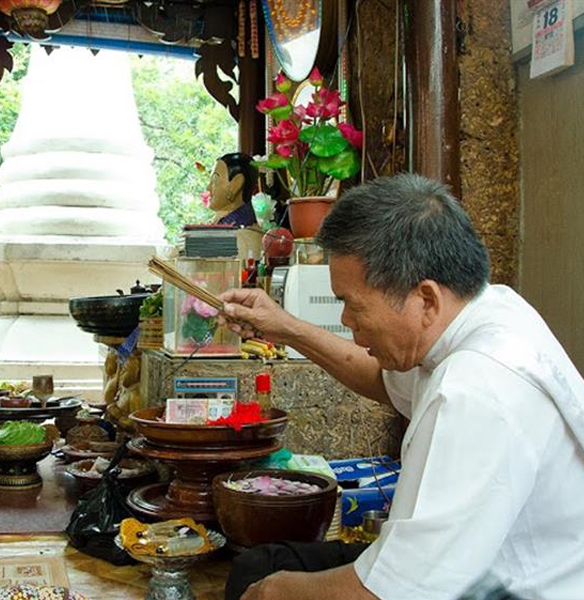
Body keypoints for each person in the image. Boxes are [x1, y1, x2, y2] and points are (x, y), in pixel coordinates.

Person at [218, 174, 584, 600]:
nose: (349, 325)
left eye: (353, 306)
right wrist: (286, 328)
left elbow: (391, 595)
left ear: (425, 299)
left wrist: (275, 594)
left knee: (269, 582)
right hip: (463, 575)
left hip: (506, 590)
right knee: (260, 566)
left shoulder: (476, 391)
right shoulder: (484, 310)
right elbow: (382, 378)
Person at [207, 153, 258, 227]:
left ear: (235, 185)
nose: (208, 188)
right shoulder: (226, 224)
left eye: (215, 180)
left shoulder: (242, 233)